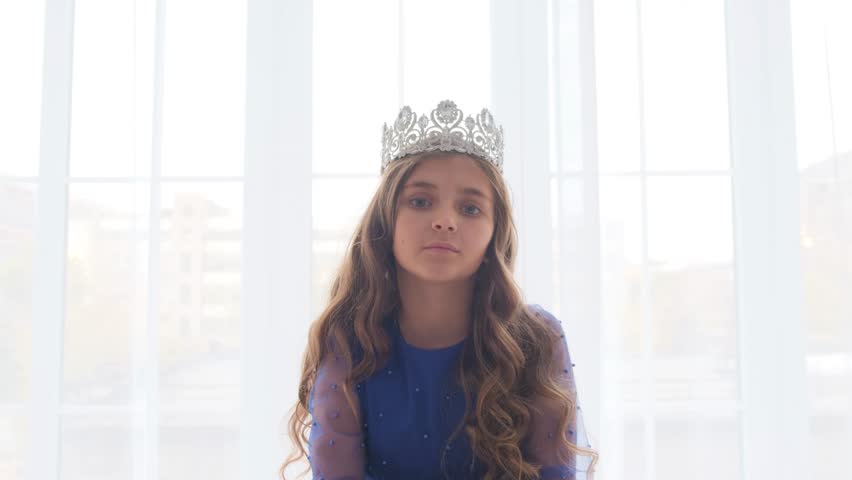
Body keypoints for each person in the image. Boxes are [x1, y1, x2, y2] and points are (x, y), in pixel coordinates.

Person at [280, 100, 599, 480]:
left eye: (470, 208)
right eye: (420, 201)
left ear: (495, 232)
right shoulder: (348, 342)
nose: (445, 221)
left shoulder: (538, 339)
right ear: (385, 220)